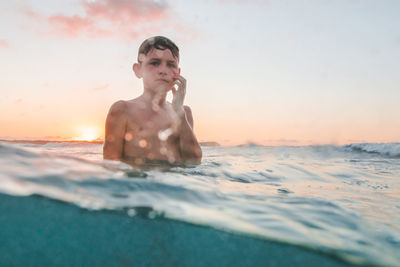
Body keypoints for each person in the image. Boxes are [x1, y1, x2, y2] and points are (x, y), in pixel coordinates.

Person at [103, 36, 202, 166]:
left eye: (171, 64)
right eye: (155, 63)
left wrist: (180, 113)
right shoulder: (123, 109)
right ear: (138, 70)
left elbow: (193, 162)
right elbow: (110, 165)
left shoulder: (184, 112)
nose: (163, 71)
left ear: (178, 72)